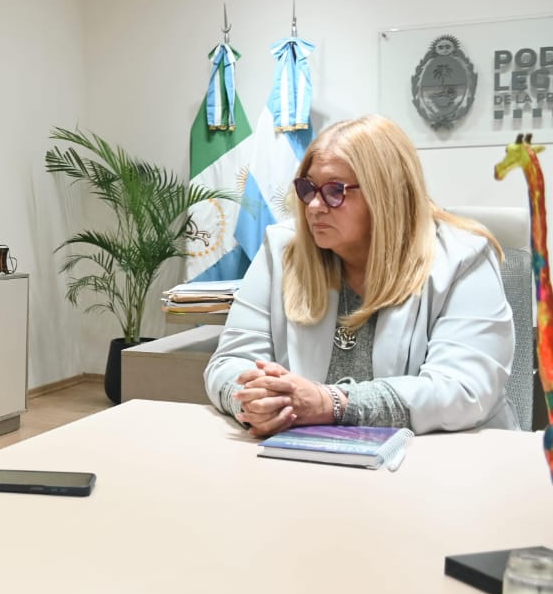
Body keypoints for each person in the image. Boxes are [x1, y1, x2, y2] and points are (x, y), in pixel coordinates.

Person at [204, 114, 515, 436]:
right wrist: (254, 400)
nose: (313, 206)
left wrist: (333, 403)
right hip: (308, 456)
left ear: (387, 194)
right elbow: (230, 361)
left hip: (440, 460)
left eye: (335, 191)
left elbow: (461, 391)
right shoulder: (282, 248)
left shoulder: (463, 258)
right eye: (308, 188)